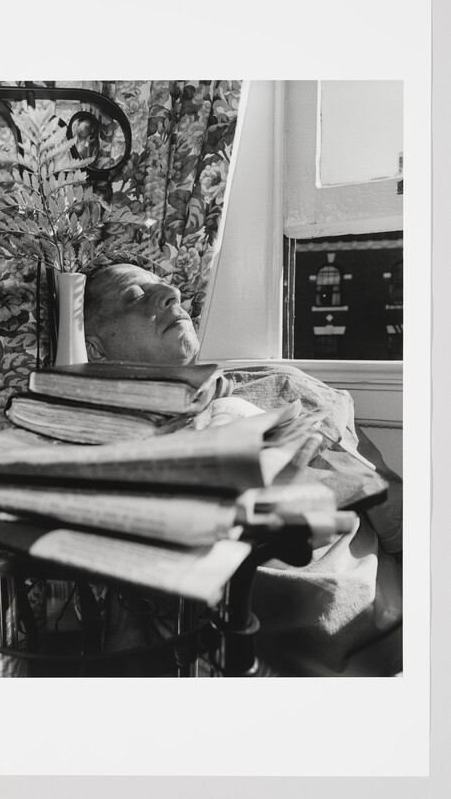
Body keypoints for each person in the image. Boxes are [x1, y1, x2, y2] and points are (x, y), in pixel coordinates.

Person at [82, 262, 403, 676]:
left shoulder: (281, 383)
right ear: (96, 348)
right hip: (255, 663)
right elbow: (124, 618)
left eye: (167, 286)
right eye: (134, 296)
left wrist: (325, 450)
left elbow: (402, 516)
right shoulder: (114, 439)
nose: (170, 294)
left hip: (388, 635)